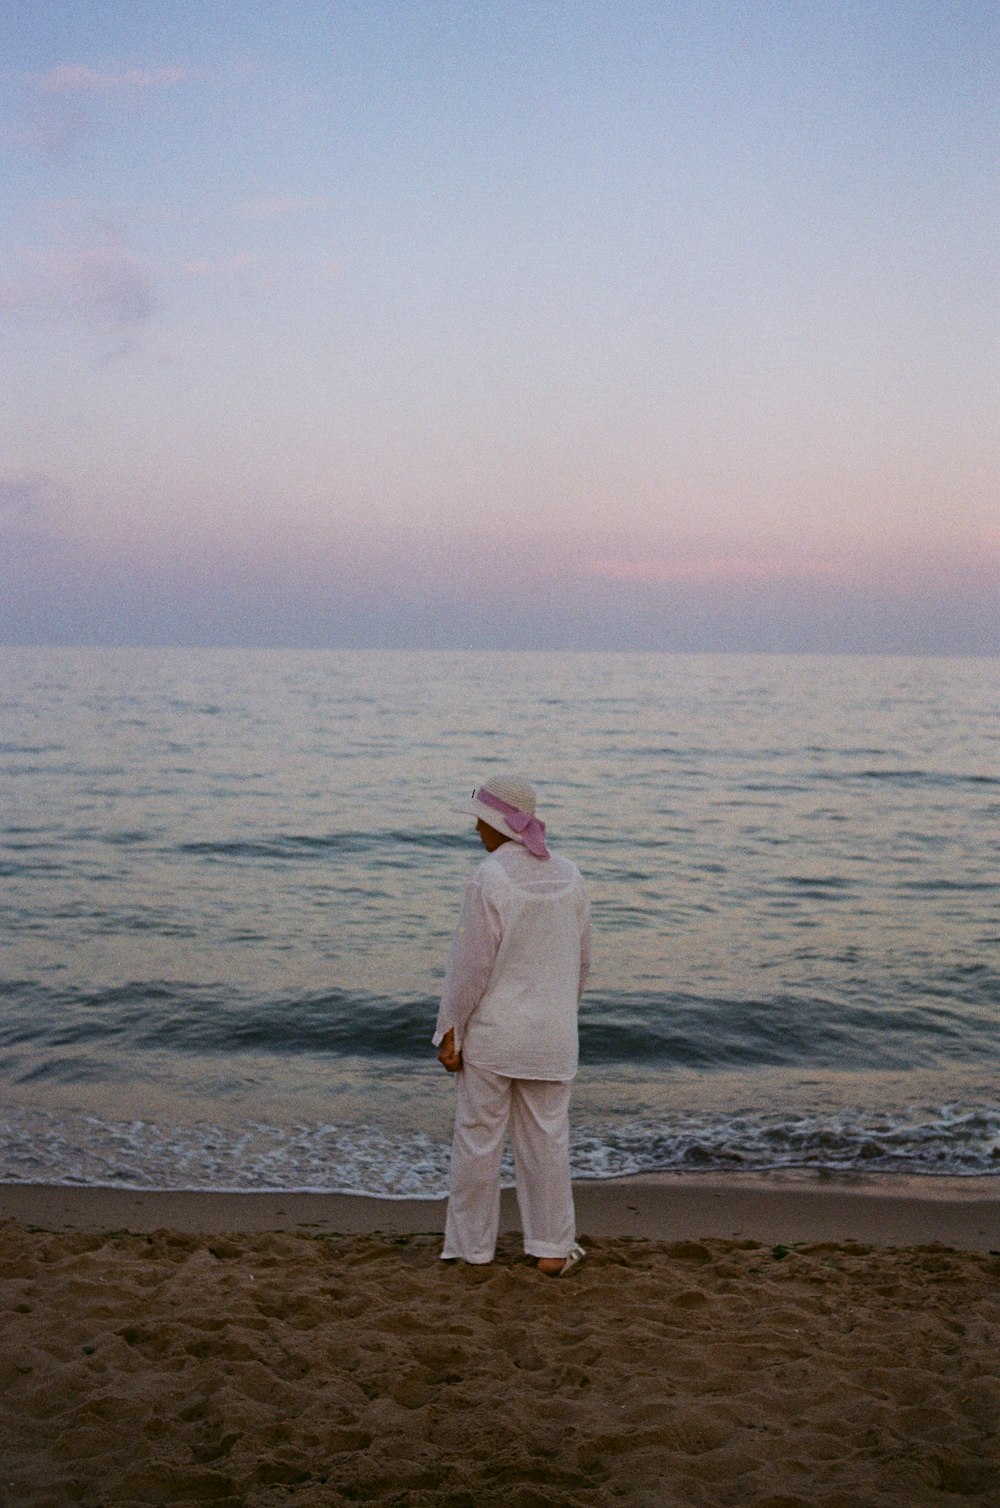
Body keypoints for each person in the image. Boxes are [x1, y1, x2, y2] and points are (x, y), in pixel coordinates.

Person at [433, 773, 591, 1275]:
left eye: (480, 819)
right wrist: (562, 1014)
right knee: (547, 1140)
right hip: (553, 1037)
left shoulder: (489, 877)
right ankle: (550, 1248)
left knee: (477, 1140)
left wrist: (449, 1028)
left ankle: (471, 1249)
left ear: (498, 823)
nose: (476, 828)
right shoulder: (571, 875)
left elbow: (469, 967)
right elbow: (582, 964)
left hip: (497, 1037)